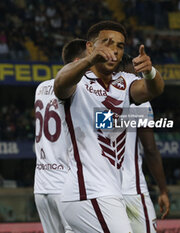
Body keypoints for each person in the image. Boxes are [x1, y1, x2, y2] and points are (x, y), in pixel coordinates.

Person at [54, 21, 164, 232]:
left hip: (109, 191)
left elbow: (154, 90)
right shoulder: (78, 81)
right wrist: (90, 60)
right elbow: (60, 84)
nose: (114, 49)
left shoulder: (125, 81)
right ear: (89, 46)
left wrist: (150, 72)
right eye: (107, 42)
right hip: (89, 192)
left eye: (120, 46)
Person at [34, 39, 87, 233]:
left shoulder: (41, 88)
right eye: (89, 61)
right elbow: (104, 124)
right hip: (67, 185)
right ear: (77, 62)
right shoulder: (79, 88)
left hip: (41, 186)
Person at [119, 54, 170, 232]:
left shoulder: (94, 94)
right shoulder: (138, 100)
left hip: (96, 191)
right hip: (130, 190)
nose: (139, 80)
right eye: (136, 74)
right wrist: (163, 190)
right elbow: (149, 148)